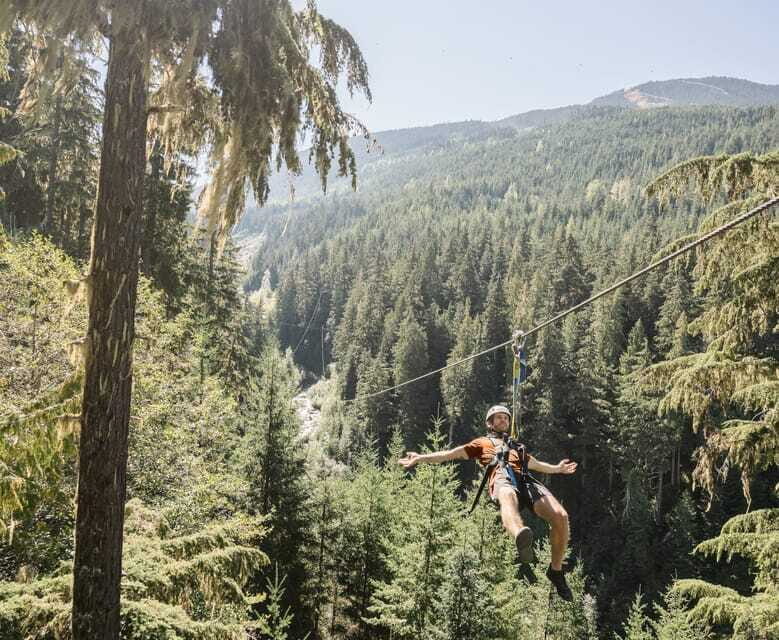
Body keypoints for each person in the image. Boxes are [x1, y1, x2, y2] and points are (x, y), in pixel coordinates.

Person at [398, 404, 577, 600]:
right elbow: (450, 454)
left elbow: (537, 465)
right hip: (501, 476)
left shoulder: (518, 447)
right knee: (507, 495)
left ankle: (556, 571)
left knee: (561, 516)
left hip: (525, 480)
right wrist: (420, 458)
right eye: (499, 418)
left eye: (506, 418)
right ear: (490, 423)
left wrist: (557, 468)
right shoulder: (481, 443)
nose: (504, 421)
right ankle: (519, 534)